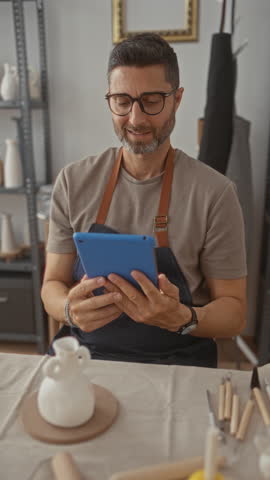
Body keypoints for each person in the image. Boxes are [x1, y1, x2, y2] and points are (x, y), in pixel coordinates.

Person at [41, 33, 247, 367]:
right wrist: (68, 309)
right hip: (86, 357)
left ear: (177, 99)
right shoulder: (73, 182)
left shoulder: (215, 193)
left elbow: (234, 313)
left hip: (178, 359)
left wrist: (183, 317)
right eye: (122, 101)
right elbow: (52, 284)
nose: (136, 119)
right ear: (109, 99)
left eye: (151, 101)